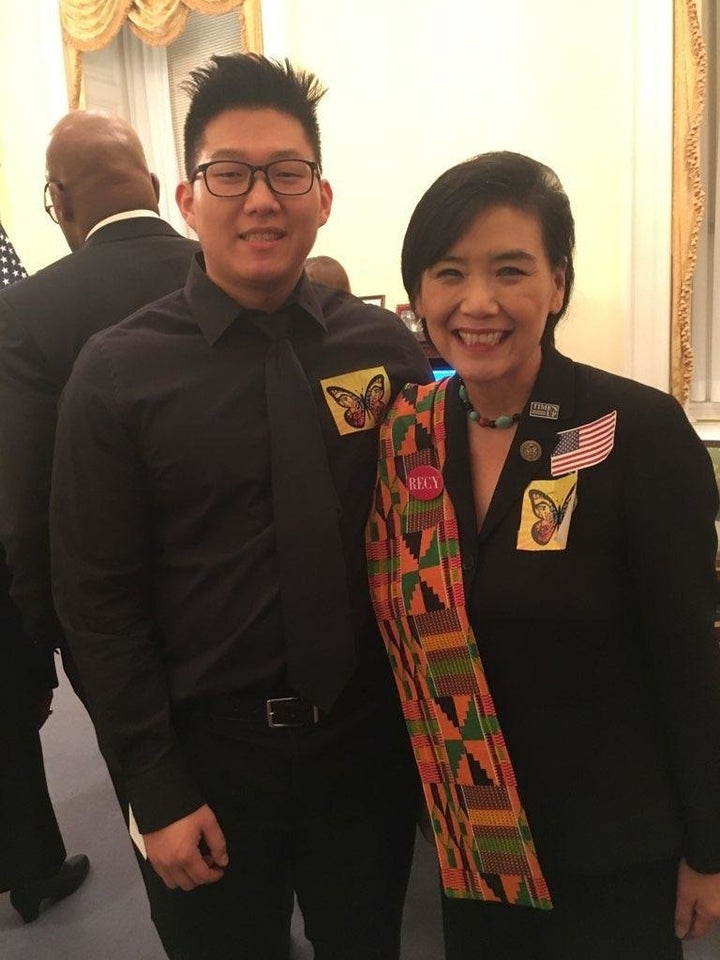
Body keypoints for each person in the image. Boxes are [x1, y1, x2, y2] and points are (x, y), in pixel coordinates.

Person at [50, 54, 431, 960]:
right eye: (230, 173)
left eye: (287, 172)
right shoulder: (114, 375)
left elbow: (429, 541)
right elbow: (96, 602)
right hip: (209, 756)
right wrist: (154, 785)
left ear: (323, 195)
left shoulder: (386, 352)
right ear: (187, 197)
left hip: (364, 748)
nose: (261, 198)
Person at [366, 150, 720, 960]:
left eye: (511, 270)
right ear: (419, 292)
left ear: (557, 284)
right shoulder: (405, 436)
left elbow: (689, 658)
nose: (478, 302)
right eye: (449, 273)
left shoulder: (636, 429)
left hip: (612, 848)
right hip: (472, 841)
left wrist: (709, 846)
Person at [0, 110, 198, 952]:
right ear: (155, 187)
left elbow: (24, 506)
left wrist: (36, 651)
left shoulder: (28, 312)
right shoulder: (226, 269)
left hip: (108, 629)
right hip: (244, 610)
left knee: (150, 789)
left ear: (58, 201)